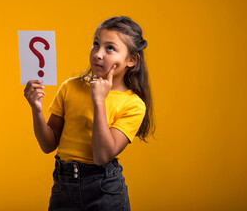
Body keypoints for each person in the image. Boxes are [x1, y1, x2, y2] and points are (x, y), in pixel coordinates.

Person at [24, 16, 155, 210]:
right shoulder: (70, 87)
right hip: (63, 187)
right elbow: (48, 144)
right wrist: (36, 109)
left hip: (105, 191)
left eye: (110, 48)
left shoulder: (134, 105)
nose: (98, 54)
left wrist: (99, 101)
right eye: (96, 44)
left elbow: (102, 156)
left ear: (131, 59)